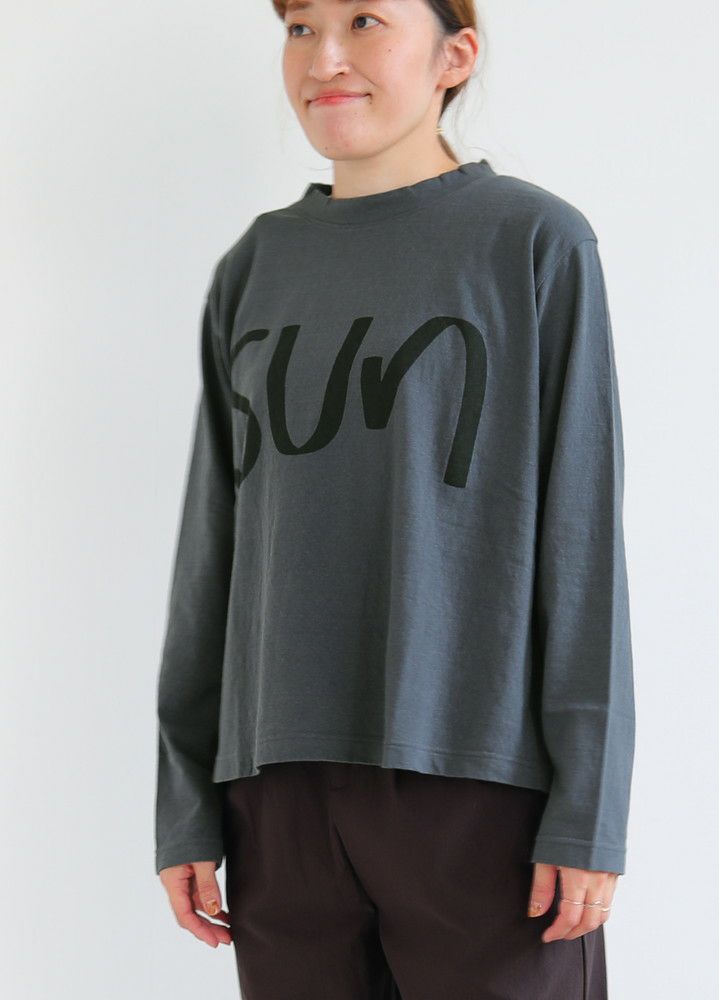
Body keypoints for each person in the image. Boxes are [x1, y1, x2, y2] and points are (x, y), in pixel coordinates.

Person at [154, 1, 636, 997]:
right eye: (300, 28)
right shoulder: (255, 266)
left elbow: (580, 538)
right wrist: (185, 799)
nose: (324, 58)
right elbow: (212, 551)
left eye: (365, 20)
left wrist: (587, 805)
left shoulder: (532, 243)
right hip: (276, 795)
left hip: (477, 786)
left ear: (455, 54)